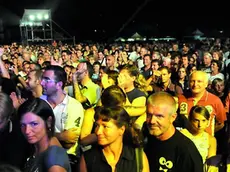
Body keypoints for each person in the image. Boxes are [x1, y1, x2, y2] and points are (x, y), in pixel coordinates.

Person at [144, 92, 203, 172]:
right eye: (149, 115)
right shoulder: (145, 139)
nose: (152, 121)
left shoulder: (186, 151)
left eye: (159, 116)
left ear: (173, 117)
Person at [79, 106, 150, 172]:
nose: (98, 132)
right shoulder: (88, 158)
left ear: (121, 130)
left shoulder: (138, 157)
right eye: (97, 126)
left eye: (105, 126)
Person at [18, 98, 71, 172]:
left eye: (34, 124)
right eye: (23, 125)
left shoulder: (54, 161)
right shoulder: (35, 145)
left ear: (49, 122)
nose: (27, 131)